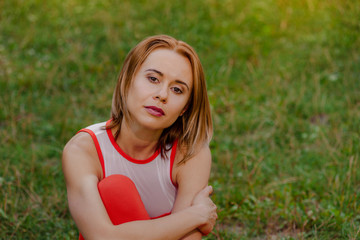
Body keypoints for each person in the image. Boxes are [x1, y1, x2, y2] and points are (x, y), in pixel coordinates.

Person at [62, 35, 217, 240]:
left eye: (177, 89)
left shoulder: (190, 153)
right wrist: (195, 216)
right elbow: (101, 237)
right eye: (153, 79)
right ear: (127, 79)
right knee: (115, 190)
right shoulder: (83, 150)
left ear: (184, 108)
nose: (162, 95)